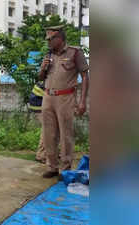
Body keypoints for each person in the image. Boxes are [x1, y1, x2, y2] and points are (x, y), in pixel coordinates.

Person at [39, 25, 89, 178]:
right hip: (48, 97)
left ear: (59, 38)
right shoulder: (48, 54)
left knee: (66, 134)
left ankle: (65, 168)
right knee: (49, 134)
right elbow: (41, 78)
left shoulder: (75, 52)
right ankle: (52, 166)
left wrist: (82, 102)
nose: (48, 42)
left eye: (51, 39)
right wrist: (42, 68)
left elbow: (85, 77)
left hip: (66, 98)